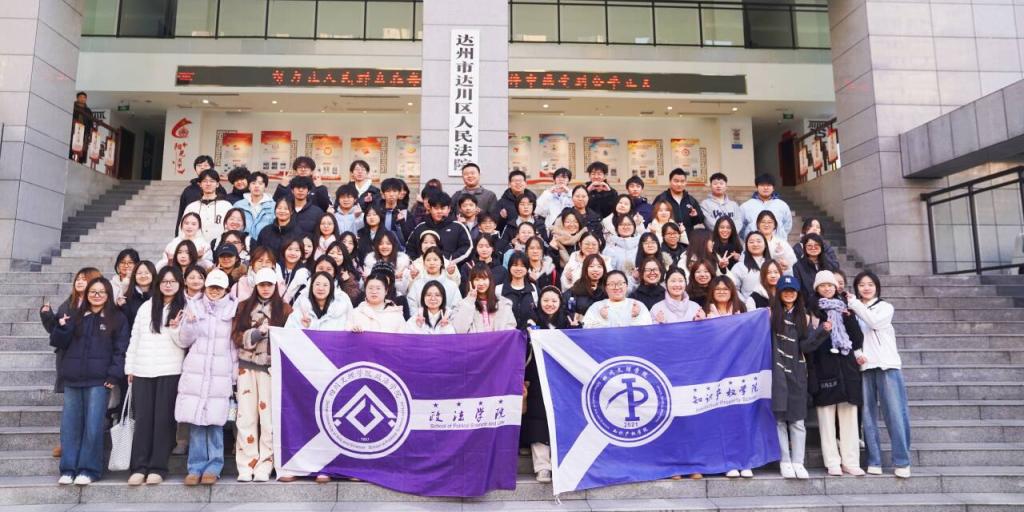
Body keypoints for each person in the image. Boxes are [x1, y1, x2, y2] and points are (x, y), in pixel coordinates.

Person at [51, 277, 129, 485]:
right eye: (93, 291)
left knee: (93, 426)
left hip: (99, 380)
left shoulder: (117, 318)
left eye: (102, 292)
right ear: (86, 294)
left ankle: (89, 469)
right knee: (70, 426)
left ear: (108, 295)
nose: (97, 295)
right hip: (73, 378)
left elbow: (120, 349)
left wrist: (113, 375)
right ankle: (68, 469)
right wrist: (60, 327)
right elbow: (58, 343)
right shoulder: (76, 315)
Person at [124, 266, 186, 486]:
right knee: (143, 419)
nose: (168, 285)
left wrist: (176, 328)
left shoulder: (184, 307)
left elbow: (185, 342)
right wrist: (130, 367)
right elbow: (135, 338)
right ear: (158, 284)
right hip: (143, 369)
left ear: (179, 284)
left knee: (163, 420)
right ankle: (139, 467)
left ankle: (158, 467)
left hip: (170, 370)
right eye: (164, 281)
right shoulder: (146, 307)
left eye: (172, 281)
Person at [175, 269, 238, 486]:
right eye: (211, 287)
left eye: (219, 288)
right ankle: (195, 467)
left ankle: (214, 466)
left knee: (215, 421)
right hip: (197, 370)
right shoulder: (193, 306)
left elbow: (233, 346)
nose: (214, 291)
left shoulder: (233, 309)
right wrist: (190, 324)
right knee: (197, 421)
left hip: (220, 371)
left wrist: (235, 375)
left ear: (225, 289)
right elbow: (184, 341)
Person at [848, 271, 911, 479]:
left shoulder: (885, 307)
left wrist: (855, 305)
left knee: (895, 414)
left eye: (870, 284)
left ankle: (902, 461)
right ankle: (873, 460)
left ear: (877, 287)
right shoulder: (852, 310)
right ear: (856, 288)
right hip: (865, 367)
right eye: (861, 285)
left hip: (887, 366)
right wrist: (857, 353)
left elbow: (874, 322)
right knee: (868, 417)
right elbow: (851, 336)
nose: (866, 288)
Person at [232, 267, 291, 482]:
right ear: (256, 286)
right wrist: (257, 333)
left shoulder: (285, 309)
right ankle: (246, 464)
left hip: (271, 369)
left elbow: (290, 338)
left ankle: (266, 464)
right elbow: (236, 336)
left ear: (275, 286)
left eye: (269, 285)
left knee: (268, 420)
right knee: (245, 417)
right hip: (246, 366)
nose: (265, 289)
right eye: (262, 285)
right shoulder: (243, 306)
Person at [807, 270, 865, 477]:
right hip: (824, 369)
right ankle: (832, 461)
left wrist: (849, 319)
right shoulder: (812, 311)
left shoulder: (845, 309)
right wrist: (823, 330)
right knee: (826, 421)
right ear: (817, 289)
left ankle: (851, 461)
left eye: (830, 285)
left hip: (847, 370)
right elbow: (809, 344)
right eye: (823, 285)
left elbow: (857, 340)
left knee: (849, 421)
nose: (827, 288)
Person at [770, 275, 826, 480]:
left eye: (792, 290)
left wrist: (822, 332)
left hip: (798, 372)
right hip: (776, 372)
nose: (789, 294)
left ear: (798, 293)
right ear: (779, 293)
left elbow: (806, 347)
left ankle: (798, 462)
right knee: (779, 420)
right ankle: (785, 460)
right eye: (785, 290)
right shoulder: (770, 315)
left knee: (797, 421)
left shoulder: (804, 317)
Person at [523, 286, 576, 484]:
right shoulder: (531, 321)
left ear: (560, 302)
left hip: (562, 379)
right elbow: (522, 352)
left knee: (562, 419)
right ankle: (542, 466)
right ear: (539, 302)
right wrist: (527, 335)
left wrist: (576, 329)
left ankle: (561, 465)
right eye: (546, 300)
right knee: (538, 420)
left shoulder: (568, 321)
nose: (550, 304)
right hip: (536, 378)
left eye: (554, 300)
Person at [405, 191, 472, 264]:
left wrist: (448, 261)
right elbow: (409, 248)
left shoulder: (458, 227)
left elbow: (467, 247)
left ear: (449, 209)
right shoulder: (420, 227)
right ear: (430, 209)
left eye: (442, 208)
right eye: (436, 208)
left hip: (450, 269)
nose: (439, 211)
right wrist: (419, 263)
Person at [451, 265, 517, 333]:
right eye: (477, 279)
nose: (481, 283)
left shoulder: (504, 304)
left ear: (490, 280)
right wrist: (470, 301)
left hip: (499, 340)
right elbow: (459, 330)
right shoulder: (462, 304)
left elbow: (511, 331)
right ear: (471, 282)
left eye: (484, 279)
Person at [582, 270, 652, 328]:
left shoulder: (638, 305)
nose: (617, 287)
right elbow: (587, 329)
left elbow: (647, 330)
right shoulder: (597, 306)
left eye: (620, 283)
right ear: (606, 288)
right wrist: (603, 319)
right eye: (612, 284)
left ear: (626, 286)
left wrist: (635, 317)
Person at [176, 156, 226, 235]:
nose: (202, 168)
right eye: (199, 165)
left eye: (205, 165)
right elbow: (181, 214)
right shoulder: (188, 191)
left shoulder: (220, 190)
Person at [406, 247, 462, 318]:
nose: (432, 263)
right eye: (428, 260)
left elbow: (457, 308)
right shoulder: (416, 284)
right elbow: (412, 306)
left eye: (435, 259)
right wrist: (420, 320)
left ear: (441, 263)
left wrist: (447, 320)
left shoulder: (452, 285)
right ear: (424, 263)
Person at [286, 272, 352, 331]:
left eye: (325, 285)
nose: (321, 288)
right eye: (317, 284)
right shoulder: (301, 309)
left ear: (331, 288)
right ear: (312, 286)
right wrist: (306, 327)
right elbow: (289, 333)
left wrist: (354, 330)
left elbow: (348, 332)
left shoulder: (339, 310)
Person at [183, 169, 234, 241]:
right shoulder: (191, 207)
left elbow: (231, 228)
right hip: (196, 246)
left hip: (219, 246)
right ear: (200, 184)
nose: (208, 184)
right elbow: (183, 228)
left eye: (212, 181)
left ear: (217, 184)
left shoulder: (226, 206)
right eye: (205, 181)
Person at [740, 173, 792, 239]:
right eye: (762, 185)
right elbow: (741, 227)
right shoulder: (746, 206)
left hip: (777, 243)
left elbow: (787, 225)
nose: (765, 188)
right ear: (757, 187)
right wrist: (748, 238)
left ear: (773, 188)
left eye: (769, 185)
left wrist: (780, 237)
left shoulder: (782, 205)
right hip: (755, 243)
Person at [653, 168, 705, 235]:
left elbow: (700, 219)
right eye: (676, 181)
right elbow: (653, 216)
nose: (679, 184)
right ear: (670, 182)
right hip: (667, 238)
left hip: (687, 238)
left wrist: (695, 216)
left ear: (686, 182)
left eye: (682, 181)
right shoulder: (662, 198)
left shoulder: (690, 200)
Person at [497, 251, 539, 330]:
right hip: (507, 335)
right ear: (509, 267)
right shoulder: (499, 290)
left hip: (529, 335)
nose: (518, 269)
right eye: (515, 265)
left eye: (522, 266)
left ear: (527, 269)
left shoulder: (533, 289)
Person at [564, 254, 608, 324]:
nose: (595, 270)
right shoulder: (576, 289)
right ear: (585, 269)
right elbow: (564, 310)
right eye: (591, 266)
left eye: (599, 266)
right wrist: (576, 318)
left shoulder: (609, 288)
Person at [728, 231, 772, 301]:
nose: (755, 244)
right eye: (751, 242)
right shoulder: (739, 266)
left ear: (765, 244)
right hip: (749, 306)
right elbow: (732, 288)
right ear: (746, 246)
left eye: (759, 241)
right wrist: (745, 303)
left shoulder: (773, 265)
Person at [793, 233, 836, 298]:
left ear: (821, 246)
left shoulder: (829, 264)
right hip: (807, 302)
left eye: (816, 245)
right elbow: (798, 289)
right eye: (809, 245)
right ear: (804, 247)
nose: (813, 248)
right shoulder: (797, 266)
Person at [234, 172, 275, 239]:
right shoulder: (238, 205)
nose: (256, 186)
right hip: (243, 242)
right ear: (249, 186)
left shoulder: (273, 206)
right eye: (253, 183)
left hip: (265, 243)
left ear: (265, 186)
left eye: (260, 183)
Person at [118, 262, 155, 327]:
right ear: (134, 276)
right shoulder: (127, 298)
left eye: (147, 273)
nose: (143, 276)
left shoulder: (159, 296)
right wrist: (123, 307)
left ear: (153, 275)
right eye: (139, 273)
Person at [278, 238, 312, 304]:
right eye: (289, 249)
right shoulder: (276, 268)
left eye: (297, 250)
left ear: (301, 253)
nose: (293, 253)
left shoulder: (304, 273)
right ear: (284, 251)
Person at [378, 177, 409, 244]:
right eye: (388, 191)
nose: (391, 194)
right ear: (383, 194)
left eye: (394, 191)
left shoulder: (405, 213)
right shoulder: (376, 212)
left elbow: (409, 237)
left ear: (399, 194)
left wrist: (402, 222)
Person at [70, 92, 92, 163]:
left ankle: (80, 162)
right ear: (77, 98)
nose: (83, 99)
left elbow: (90, 123)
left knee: (82, 148)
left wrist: (90, 134)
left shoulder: (88, 111)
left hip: (84, 132)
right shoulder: (72, 107)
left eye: (84, 98)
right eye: (81, 97)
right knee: (72, 147)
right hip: (74, 131)